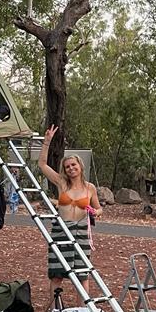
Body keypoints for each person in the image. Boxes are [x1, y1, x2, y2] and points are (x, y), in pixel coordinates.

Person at [37, 126, 102, 302]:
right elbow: (42, 165)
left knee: (82, 276)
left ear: (80, 166)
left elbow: (99, 208)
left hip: (81, 233)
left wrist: (96, 211)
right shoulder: (61, 183)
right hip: (61, 231)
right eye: (67, 167)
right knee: (57, 275)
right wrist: (47, 141)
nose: (70, 168)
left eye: (73, 165)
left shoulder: (90, 188)